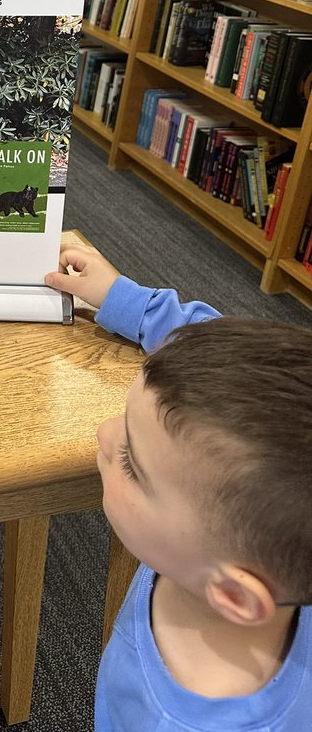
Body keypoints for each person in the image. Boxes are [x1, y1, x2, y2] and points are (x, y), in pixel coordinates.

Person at [45, 243, 312, 731]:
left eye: (131, 462)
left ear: (234, 595)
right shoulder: (245, 545)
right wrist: (125, 299)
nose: (105, 436)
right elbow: (222, 354)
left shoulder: (166, 720)